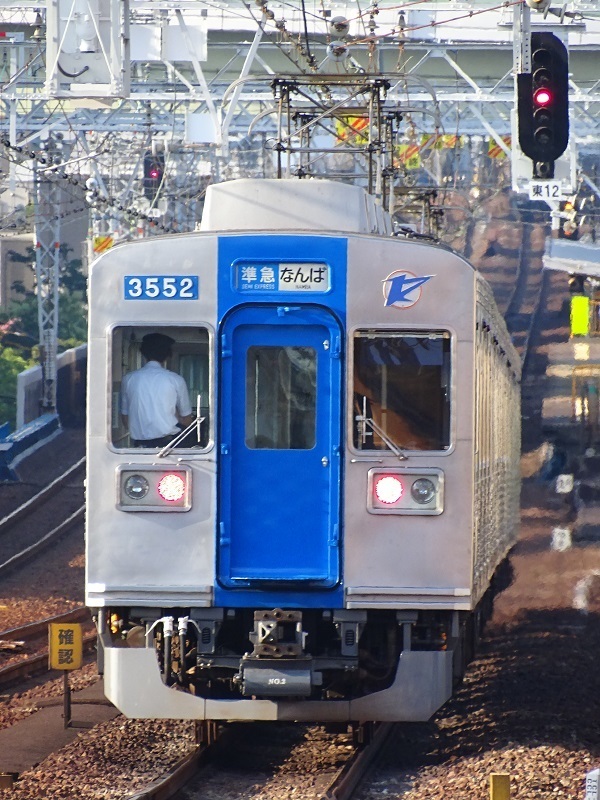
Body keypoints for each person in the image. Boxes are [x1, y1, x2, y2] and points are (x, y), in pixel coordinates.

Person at [121, 332, 193, 447]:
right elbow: (187, 419)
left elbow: (125, 417)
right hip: (170, 446)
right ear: (168, 354)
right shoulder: (176, 380)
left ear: (143, 353)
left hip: (139, 447)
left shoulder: (128, 379)